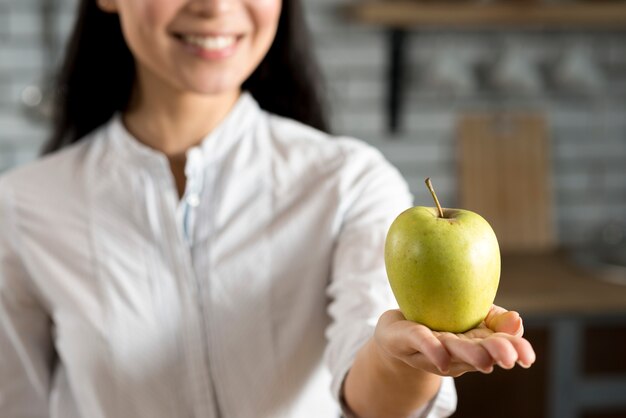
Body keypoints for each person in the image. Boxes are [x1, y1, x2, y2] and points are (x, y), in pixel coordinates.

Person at [0, 0, 536, 417]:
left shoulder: (349, 181)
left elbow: (367, 384)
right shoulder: (24, 207)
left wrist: (406, 358)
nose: (215, 6)